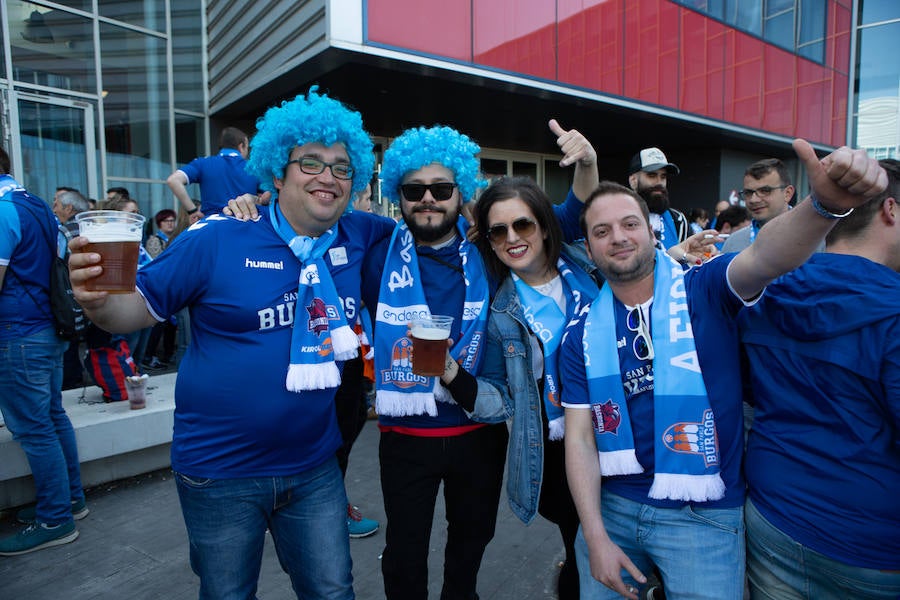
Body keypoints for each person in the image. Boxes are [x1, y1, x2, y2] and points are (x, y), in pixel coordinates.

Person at [68, 87, 395, 598]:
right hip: (221, 473)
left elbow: (434, 225)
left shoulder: (361, 234)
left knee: (333, 591)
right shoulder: (217, 236)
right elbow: (131, 310)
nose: (327, 176)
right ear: (276, 172)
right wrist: (94, 300)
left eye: (341, 167)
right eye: (310, 162)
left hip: (314, 467)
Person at [559, 140, 886, 600]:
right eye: (601, 231)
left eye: (630, 224)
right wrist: (593, 536)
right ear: (588, 249)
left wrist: (824, 206)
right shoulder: (578, 336)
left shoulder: (705, 288)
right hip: (615, 510)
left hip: (706, 516)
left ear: (654, 234)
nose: (618, 237)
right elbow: (579, 438)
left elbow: (766, 256)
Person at [363, 119, 597, 600]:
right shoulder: (375, 251)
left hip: (478, 437)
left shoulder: (489, 253)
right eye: (413, 189)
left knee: (469, 548)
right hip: (405, 438)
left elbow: (566, 219)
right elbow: (312, 218)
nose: (427, 198)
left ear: (459, 193)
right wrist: (251, 204)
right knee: (405, 554)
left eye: (442, 187)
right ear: (398, 195)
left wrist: (587, 164)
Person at [738, 158, 900, 600]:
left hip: (775, 514)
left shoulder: (771, 290)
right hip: (869, 544)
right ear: (891, 210)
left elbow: (750, 390)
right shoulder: (892, 309)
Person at [464, 176, 602, 599]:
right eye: (499, 231)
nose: (512, 238)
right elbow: (497, 395)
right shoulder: (500, 309)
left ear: (543, 225)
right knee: (582, 548)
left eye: (522, 225)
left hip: (617, 427)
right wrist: (453, 377)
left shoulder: (589, 265)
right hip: (556, 445)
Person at [0, 146, 88, 556]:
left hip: (17, 333)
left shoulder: (3, 210)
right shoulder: (37, 205)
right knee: (52, 416)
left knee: (35, 427)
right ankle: (69, 500)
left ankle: (55, 519)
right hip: (47, 328)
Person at [166, 126, 260, 221]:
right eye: (247, 148)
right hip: (246, 224)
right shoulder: (254, 168)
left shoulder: (203, 163)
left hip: (211, 226)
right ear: (241, 146)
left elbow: (173, 180)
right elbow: (268, 195)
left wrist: (193, 211)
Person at [722, 158, 795, 252]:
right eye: (748, 192)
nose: (753, 200)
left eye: (765, 191)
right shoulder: (733, 242)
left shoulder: (814, 237)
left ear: (787, 193)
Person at [627, 147, 688, 248]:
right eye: (652, 175)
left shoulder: (678, 220)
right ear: (633, 181)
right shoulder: (619, 218)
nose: (659, 182)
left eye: (663, 177)